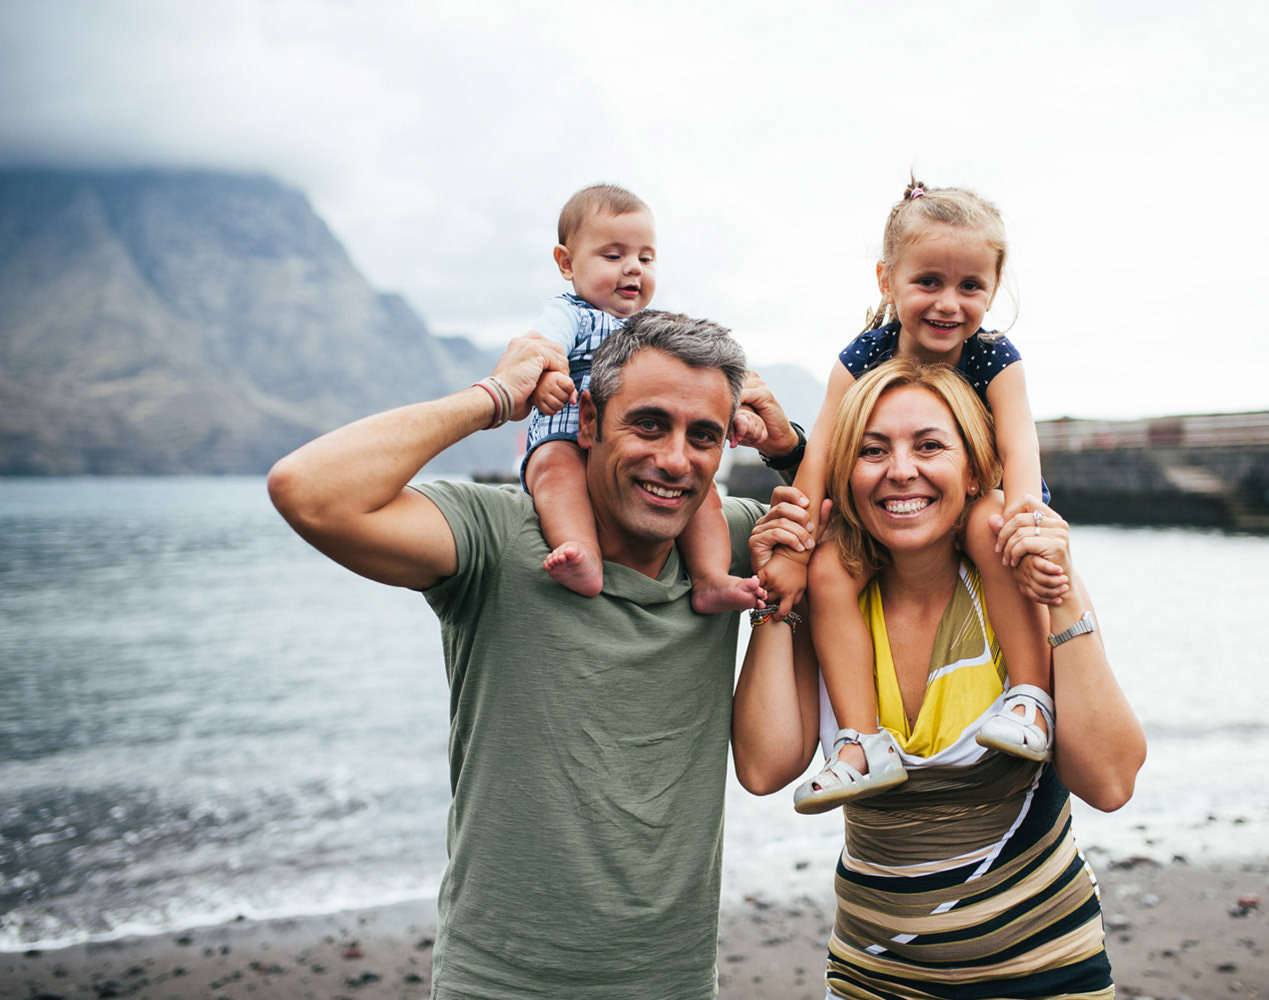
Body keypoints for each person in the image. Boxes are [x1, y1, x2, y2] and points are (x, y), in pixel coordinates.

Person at [267, 310, 808, 999]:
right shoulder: (496, 537)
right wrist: (491, 398)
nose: (676, 460)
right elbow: (306, 489)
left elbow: (877, 514)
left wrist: (789, 447)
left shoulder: (731, 556)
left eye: (702, 435)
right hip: (498, 984)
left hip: (673, 984)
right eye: (648, 423)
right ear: (587, 422)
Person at [733, 360, 1146, 999]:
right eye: (873, 451)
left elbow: (1111, 781)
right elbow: (764, 770)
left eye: (930, 446)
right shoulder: (831, 594)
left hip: (1045, 972)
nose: (901, 469)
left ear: (976, 470)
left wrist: (1064, 594)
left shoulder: (1020, 582)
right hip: (871, 978)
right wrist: (772, 597)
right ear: (846, 474)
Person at [757, 178, 1063, 814]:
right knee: (831, 567)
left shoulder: (994, 357)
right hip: (894, 516)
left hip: (987, 504)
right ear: (886, 280)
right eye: (928, 282)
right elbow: (819, 460)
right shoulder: (864, 355)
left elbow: (1020, 450)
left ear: (994, 288)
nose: (948, 303)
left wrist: (1029, 526)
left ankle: (1030, 698)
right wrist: (792, 548)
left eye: (970, 286)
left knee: (985, 520)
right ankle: (862, 743)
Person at [523, 184, 763, 613]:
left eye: (645, 258)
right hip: (564, 418)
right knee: (555, 473)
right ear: (566, 263)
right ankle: (581, 552)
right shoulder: (568, 312)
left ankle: (710, 577)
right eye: (613, 256)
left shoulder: (652, 328)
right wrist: (544, 378)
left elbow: (697, 384)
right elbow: (544, 350)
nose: (632, 269)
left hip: (620, 431)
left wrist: (735, 412)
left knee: (704, 493)